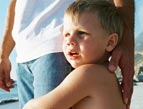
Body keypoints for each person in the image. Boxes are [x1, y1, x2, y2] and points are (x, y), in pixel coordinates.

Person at [0, 0, 134, 109]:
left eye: (81, 33)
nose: (70, 41)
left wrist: (28, 104)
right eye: (66, 35)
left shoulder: (87, 74)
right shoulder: (106, 75)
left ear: (110, 42)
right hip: (24, 50)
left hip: (49, 46)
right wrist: (3, 54)